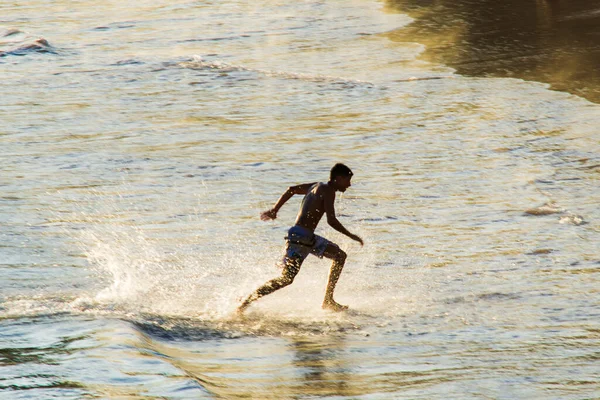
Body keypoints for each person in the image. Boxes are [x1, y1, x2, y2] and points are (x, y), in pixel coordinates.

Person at [237, 163, 363, 314]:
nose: (349, 185)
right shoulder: (329, 191)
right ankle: (246, 302)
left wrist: (274, 210)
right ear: (338, 178)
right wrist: (351, 235)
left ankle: (328, 300)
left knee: (340, 256)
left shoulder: (317, 186)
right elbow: (331, 220)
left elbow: (291, 190)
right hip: (301, 238)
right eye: (347, 180)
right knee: (286, 279)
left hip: (305, 237)